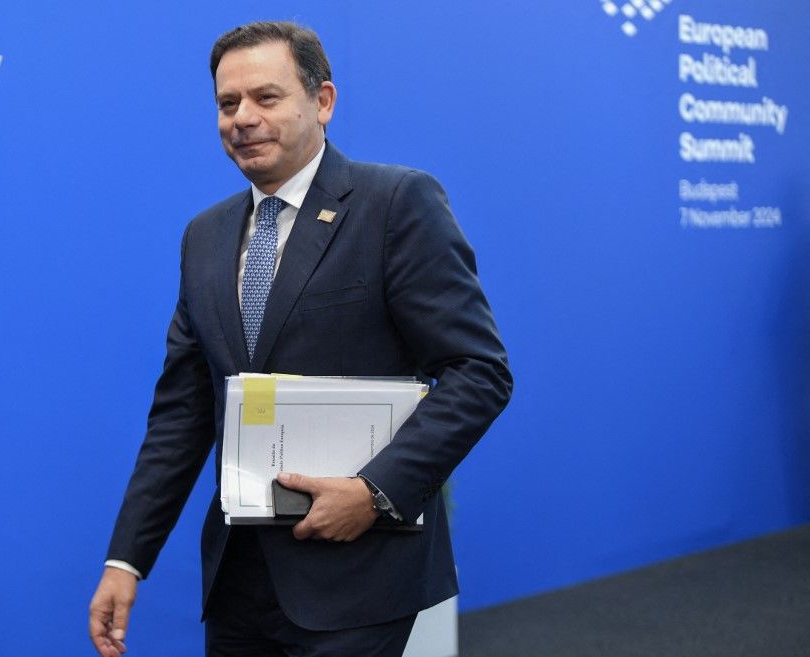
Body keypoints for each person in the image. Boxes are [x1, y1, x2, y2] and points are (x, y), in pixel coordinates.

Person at [88, 20, 512, 657]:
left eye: (266, 97)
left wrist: (374, 493)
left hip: (359, 572)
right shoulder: (204, 237)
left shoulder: (396, 203)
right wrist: (127, 559)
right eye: (227, 104)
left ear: (323, 101)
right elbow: (182, 411)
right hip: (240, 582)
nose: (243, 118)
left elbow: (479, 371)